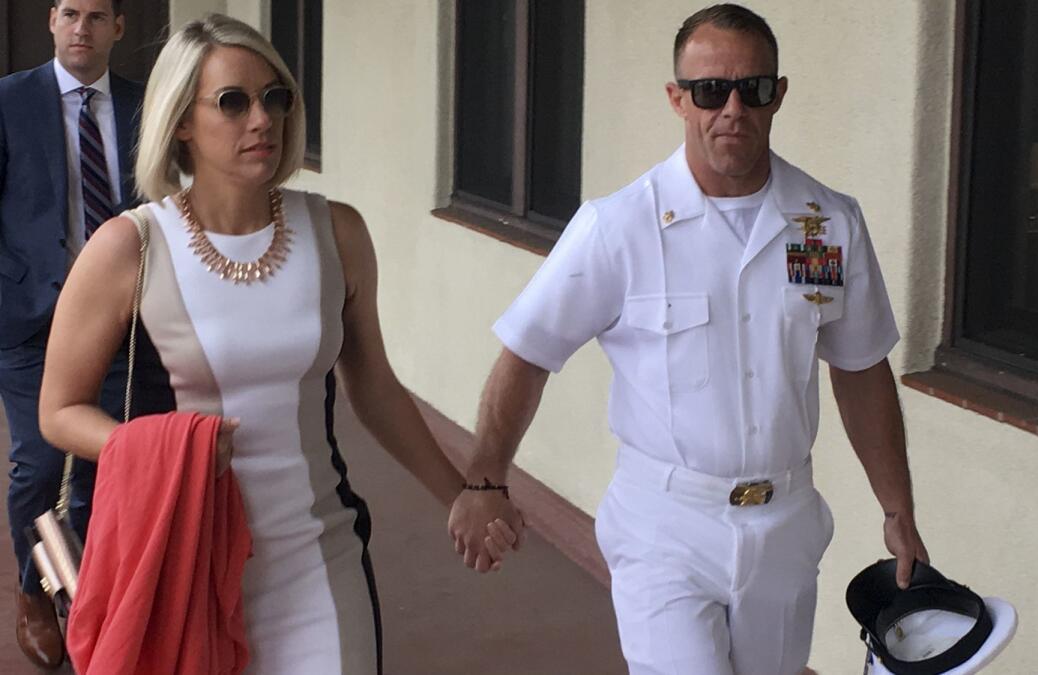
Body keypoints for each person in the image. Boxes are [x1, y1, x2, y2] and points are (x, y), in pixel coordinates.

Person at [447, 4, 929, 674]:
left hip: (784, 522)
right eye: (710, 91)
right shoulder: (618, 228)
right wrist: (484, 480)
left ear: (778, 95)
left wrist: (897, 507)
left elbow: (860, 368)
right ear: (678, 99)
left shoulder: (824, 223)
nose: (733, 108)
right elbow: (527, 352)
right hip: (664, 525)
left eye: (753, 88)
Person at [38, 14, 521, 674]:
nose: (262, 119)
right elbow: (58, 409)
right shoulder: (131, 246)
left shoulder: (337, 233)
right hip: (187, 562)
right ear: (181, 119)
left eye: (276, 97)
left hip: (318, 558)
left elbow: (373, 385)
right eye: (232, 102)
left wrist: (460, 491)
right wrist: (163, 446)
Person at [0, 0, 173, 668]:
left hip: (125, 316)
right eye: (71, 12)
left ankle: (89, 590)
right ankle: (34, 591)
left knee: (113, 461)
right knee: (38, 465)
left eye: (98, 16)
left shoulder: (145, 104)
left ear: (118, 28)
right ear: (51, 21)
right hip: (32, 316)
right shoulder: (10, 101)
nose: (83, 27)